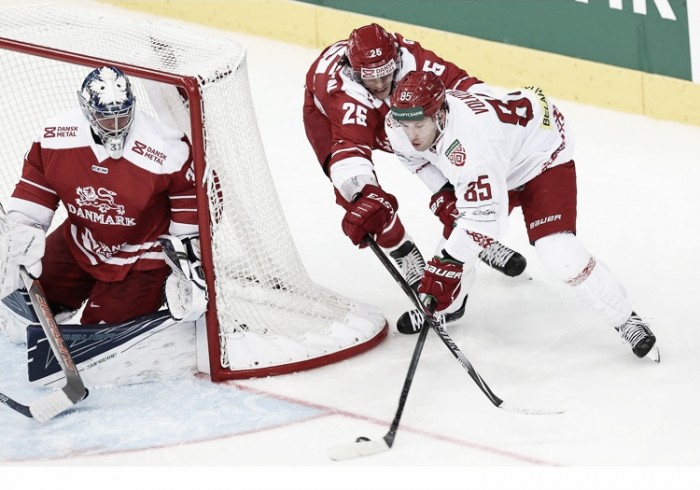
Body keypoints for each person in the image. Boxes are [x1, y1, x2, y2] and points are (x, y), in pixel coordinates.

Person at [384, 70, 657, 360]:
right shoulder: (398, 123)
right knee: (456, 236)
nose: (411, 134)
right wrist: (442, 191)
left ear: (439, 115)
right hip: (504, 151)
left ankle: (626, 320)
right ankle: (447, 309)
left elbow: (488, 222)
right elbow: (415, 159)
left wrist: (446, 265)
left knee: (557, 251)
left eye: (418, 125)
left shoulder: (474, 148)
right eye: (406, 125)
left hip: (541, 153)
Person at [303, 24, 526, 308]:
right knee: (365, 203)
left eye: (386, 71)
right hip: (331, 120)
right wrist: (364, 192)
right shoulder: (341, 92)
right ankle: (403, 252)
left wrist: (494, 128)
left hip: (401, 106)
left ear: (396, 57)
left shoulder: (414, 59)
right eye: (370, 77)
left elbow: (463, 86)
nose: (381, 84)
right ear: (354, 70)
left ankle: (470, 235)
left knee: (460, 158)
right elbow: (350, 150)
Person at [0, 66, 206, 343]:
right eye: (106, 118)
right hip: (81, 240)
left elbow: (191, 199)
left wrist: (187, 261)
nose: (117, 125)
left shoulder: (165, 148)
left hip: (142, 257)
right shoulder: (55, 137)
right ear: (86, 109)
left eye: (123, 115)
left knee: (99, 336)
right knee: (20, 300)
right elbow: (37, 185)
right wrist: (23, 229)